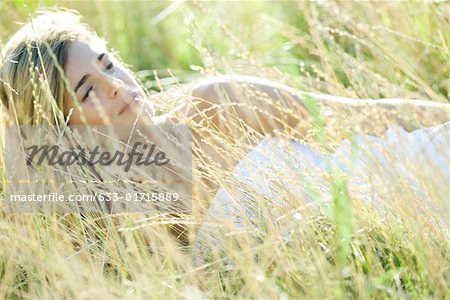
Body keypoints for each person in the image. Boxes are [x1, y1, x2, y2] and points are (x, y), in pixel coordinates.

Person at [1, 9, 449, 253]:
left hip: (424, 175)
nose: (118, 86)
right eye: (87, 90)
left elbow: (364, 117)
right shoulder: (104, 226)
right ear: (61, 129)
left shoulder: (213, 107)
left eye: (109, 63)